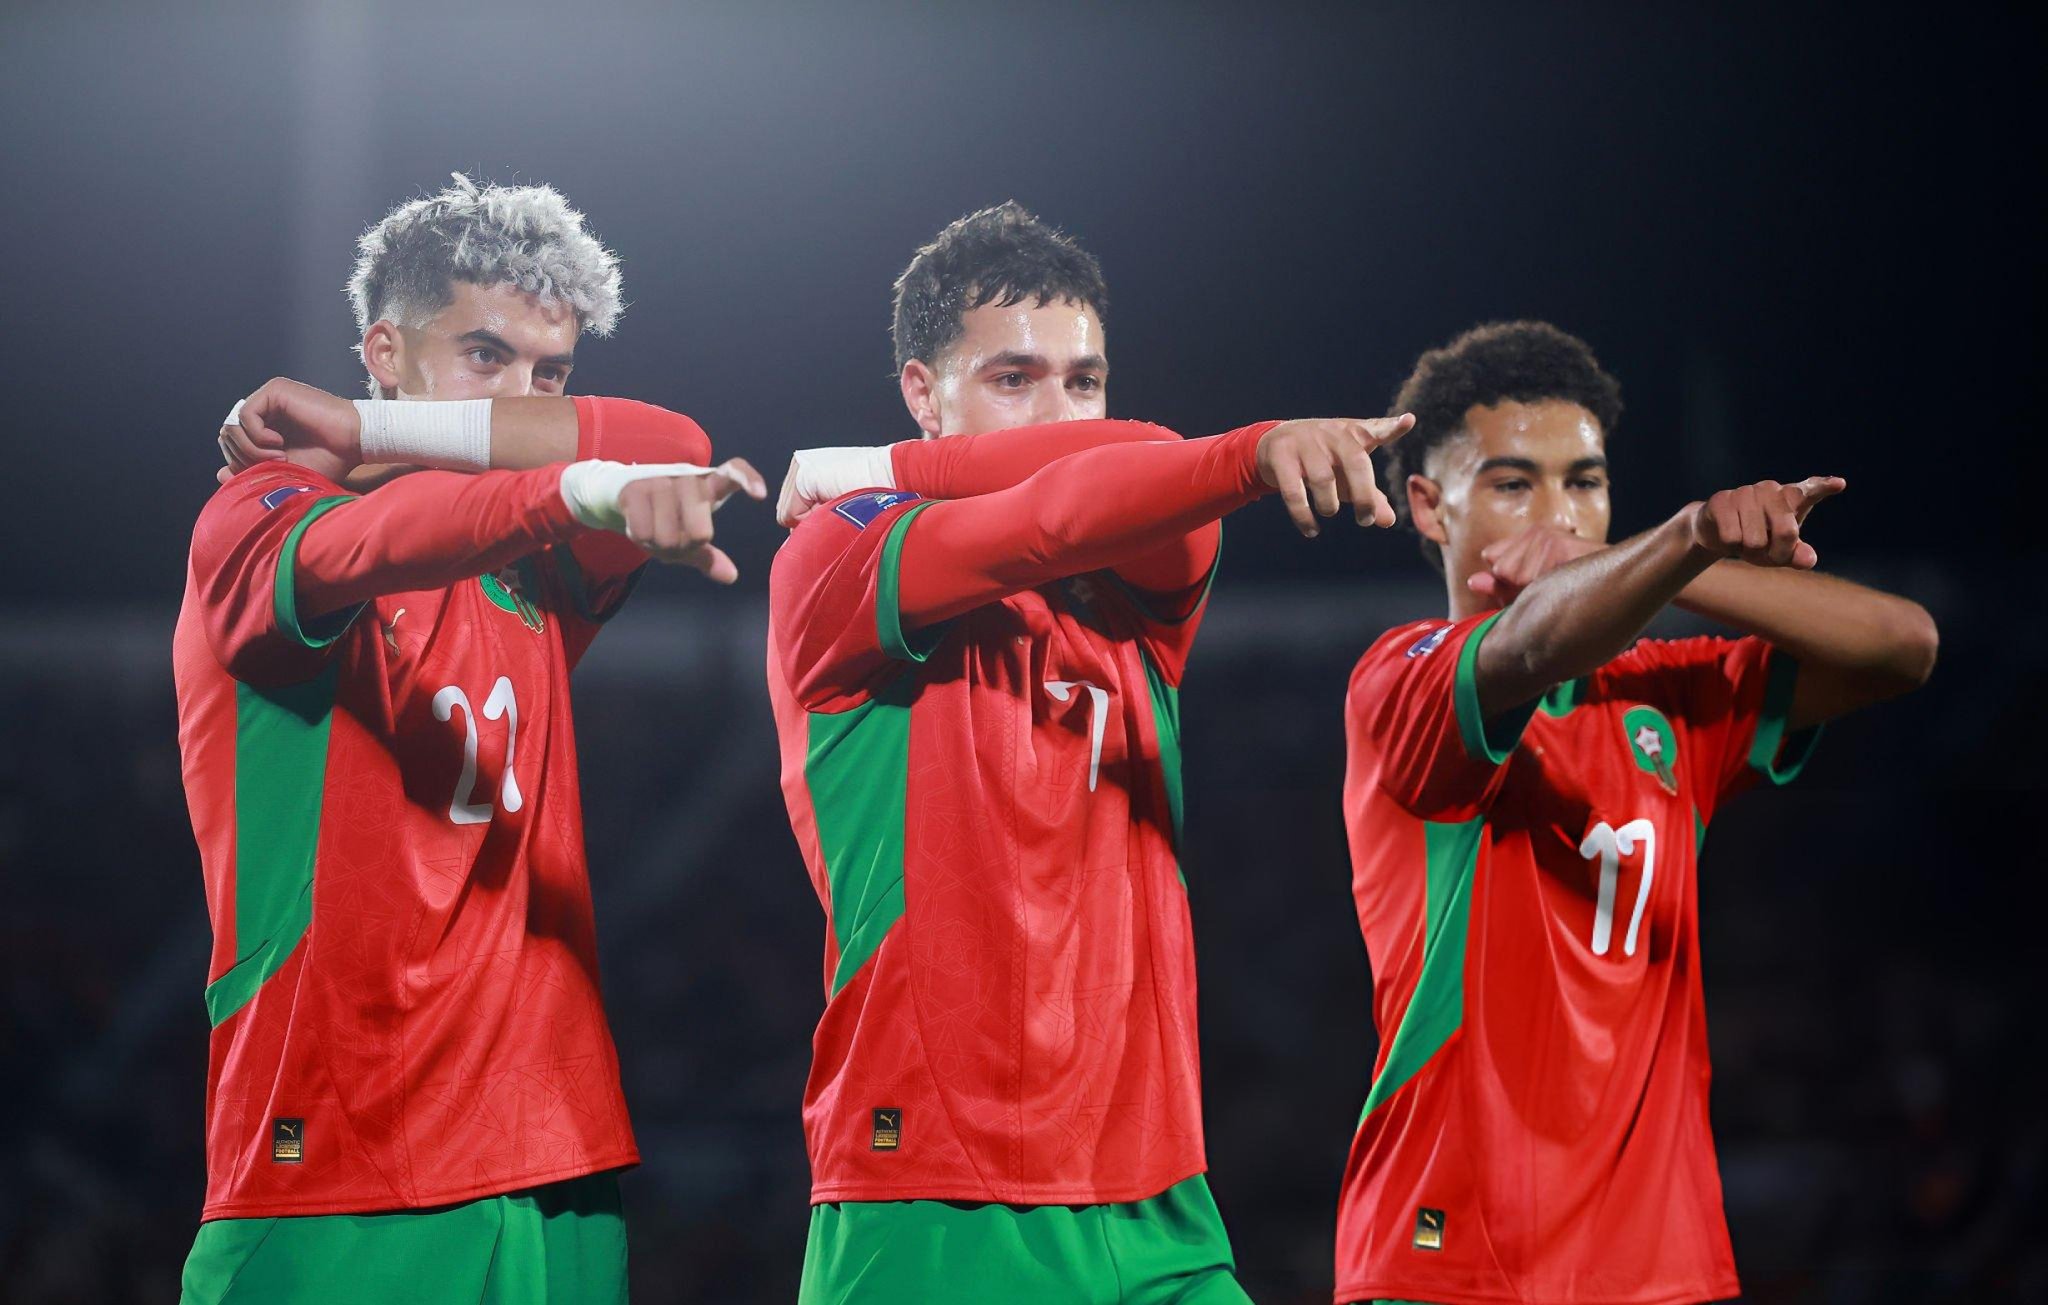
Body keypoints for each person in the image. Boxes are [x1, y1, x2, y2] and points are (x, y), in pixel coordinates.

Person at [768, 201, 1411, 1303]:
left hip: (1157, 1190)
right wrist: (897, 473)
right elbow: (1049, 512)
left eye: (1083, 381)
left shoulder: (1142, 586)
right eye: (1013, 378)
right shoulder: (839, 548)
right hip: (938, 1191)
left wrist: (894, 457)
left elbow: (1132, 468)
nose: (1059, 409)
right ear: (923, 390)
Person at [174, 174, 762, 1304]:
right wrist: (576, 489)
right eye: (486, 356)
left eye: (551, 375)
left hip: (557, 1161)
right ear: (384, 351)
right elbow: (381, 538)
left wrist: (375, 430)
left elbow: (675, 440)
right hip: (339, 1166)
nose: (524, 400)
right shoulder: (254, 514)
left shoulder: (542, 562)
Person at [1333, 320, 1938, 1305]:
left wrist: (1676, 556)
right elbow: (1531, 642)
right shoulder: (1398, 681)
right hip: (1451, 1257)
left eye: (1584, 483)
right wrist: (1682, 541)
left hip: (1658, 1265)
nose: (1558, 515)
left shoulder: (1668, 699)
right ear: (1429, 507)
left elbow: (1901, 645)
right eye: (1512, 484)